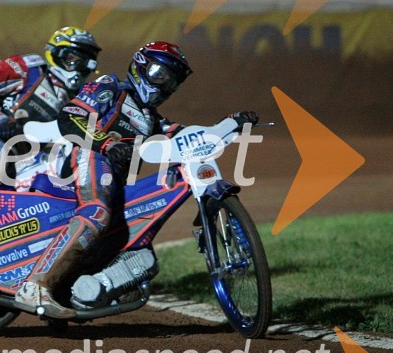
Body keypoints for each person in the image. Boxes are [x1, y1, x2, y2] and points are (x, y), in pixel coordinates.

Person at [14, 41, 259, 318]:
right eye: (160, 74)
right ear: (140, 66)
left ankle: (73, 288)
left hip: (115, 177)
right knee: (97, 211)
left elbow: (183, 134)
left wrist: (229, 124)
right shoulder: (111, 87)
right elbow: (72, 117)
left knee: (140, 255)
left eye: (171, 82)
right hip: (89, 156)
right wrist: (107, 144)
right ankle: (35, 286)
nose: (164, 86)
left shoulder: (150, 118)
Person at [0, 26, 102, 185]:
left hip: (27, 159)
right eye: (72, 59)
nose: (78, 68)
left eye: (84, 63)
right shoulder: (28, 68)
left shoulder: (82, 99)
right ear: (56, 53)